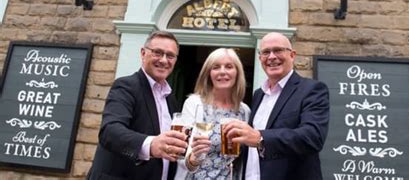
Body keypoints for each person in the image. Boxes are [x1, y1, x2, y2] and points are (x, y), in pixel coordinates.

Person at [87, 31, 210, 180]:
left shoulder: (171, 99)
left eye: (170, 56)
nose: (164, 60)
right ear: (143, 53)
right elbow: (110, 132)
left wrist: (192, 154)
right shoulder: (126, 86)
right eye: (158, 53)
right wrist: (151, 145)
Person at [223, 32, 330, 180]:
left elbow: (312, 137)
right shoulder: (258, 95)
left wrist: (260, 138)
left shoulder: (312, 89)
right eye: (266, 52)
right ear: (260, 58)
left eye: (278, 50)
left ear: (292, 55)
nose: (272, 57)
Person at [174, 48, 251, 180]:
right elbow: (180, 152)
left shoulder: (244, 111)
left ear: (237, 73)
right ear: (208, 73)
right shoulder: (194, 104)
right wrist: (193, 159)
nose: (222, 72)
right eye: (216, 67)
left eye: (229, 66)